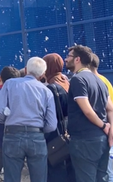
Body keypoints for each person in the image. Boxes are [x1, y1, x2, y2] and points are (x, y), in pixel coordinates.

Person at [0, 57, 57, 182]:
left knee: (11, 177)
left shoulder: (10, 84)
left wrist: (5, 120)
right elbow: (52, 124)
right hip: (37, 136)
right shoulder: (46, 91)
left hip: (12, 135)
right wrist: (39, 130)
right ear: (43, 74)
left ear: (26, 69)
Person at [65, 45, 113, 182]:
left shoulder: (78, 80)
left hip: (84, 141)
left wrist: (103, 126)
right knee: (102, 178)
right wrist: (111, 130)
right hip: (101, 140)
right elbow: (112, 110)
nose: (66, 59)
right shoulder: (100, 81)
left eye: (69, 56)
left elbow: (87, 110)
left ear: (77, 59)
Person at [43, 53, 75, 182]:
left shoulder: (52, 88)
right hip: (70, 132)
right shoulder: (68, 82)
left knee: (56, 170)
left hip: (55, 135)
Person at [89, 54, 113, 182]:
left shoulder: (95, 82)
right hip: (111, 130)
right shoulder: (104, 80)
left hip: (106, 132)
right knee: (106, 171)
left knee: (106, 173)